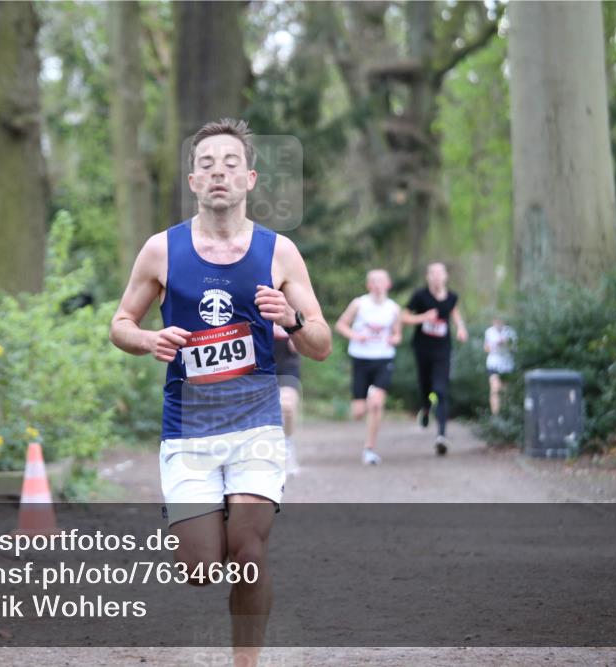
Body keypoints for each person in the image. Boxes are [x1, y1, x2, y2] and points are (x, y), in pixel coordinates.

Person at [109, 118, 331, 667]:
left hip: (255, 423)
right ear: (192, 180)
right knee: (201, 569)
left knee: (249, 554)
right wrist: (146, 339)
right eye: (207, 164)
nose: (218, 173)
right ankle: (214, 518)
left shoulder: (280, 252)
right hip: (188, 429)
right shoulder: (162, 250)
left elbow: (322, 344)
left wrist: (295, 319)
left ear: (250, 178)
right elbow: (119, 323)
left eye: (230, 164)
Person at [334, 269, 402, 465]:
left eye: (382, 281)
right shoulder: (359, 304)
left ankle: (369, 449)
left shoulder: (393, 308)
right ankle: (365, 399)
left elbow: (398, 335)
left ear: (388, 284)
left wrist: (393, 339)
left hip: (383, 358)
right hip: (361, 359)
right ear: (368, 285)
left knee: (377, 404)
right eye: (374, 281)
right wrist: (356, 336)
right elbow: (341, 325)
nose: (378, 285)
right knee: (358, 411)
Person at [400, 262, 468, 455]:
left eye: (440, 273)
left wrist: (461, 328)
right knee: (426, 389)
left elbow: (455, 314)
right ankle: (426, 408)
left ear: (446, 276)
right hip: (422, 350)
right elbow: (403, 317)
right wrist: (423, 318)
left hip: (442, 351)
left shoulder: (452, 297)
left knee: (440, 389)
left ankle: (441, 436)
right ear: (428, 277)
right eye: (433, 273)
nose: (437, 277)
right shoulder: (420, 296)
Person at [273, 323, 303, 476]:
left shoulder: (293, 306)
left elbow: (301, 346)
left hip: (287, 367)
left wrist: (294, 331)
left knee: (287, 407)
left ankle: (287, 445)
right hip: (258, 366)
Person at [484, 315, 516, 415]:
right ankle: (496, 416)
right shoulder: (489, 332)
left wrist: (506, 343)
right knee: (495, 389)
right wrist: (495, 345)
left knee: (506, 392)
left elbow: (515, 349)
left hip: (507, 366)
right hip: (493, 365)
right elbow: (486, 348)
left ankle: (506, 415)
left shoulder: (510, 332)